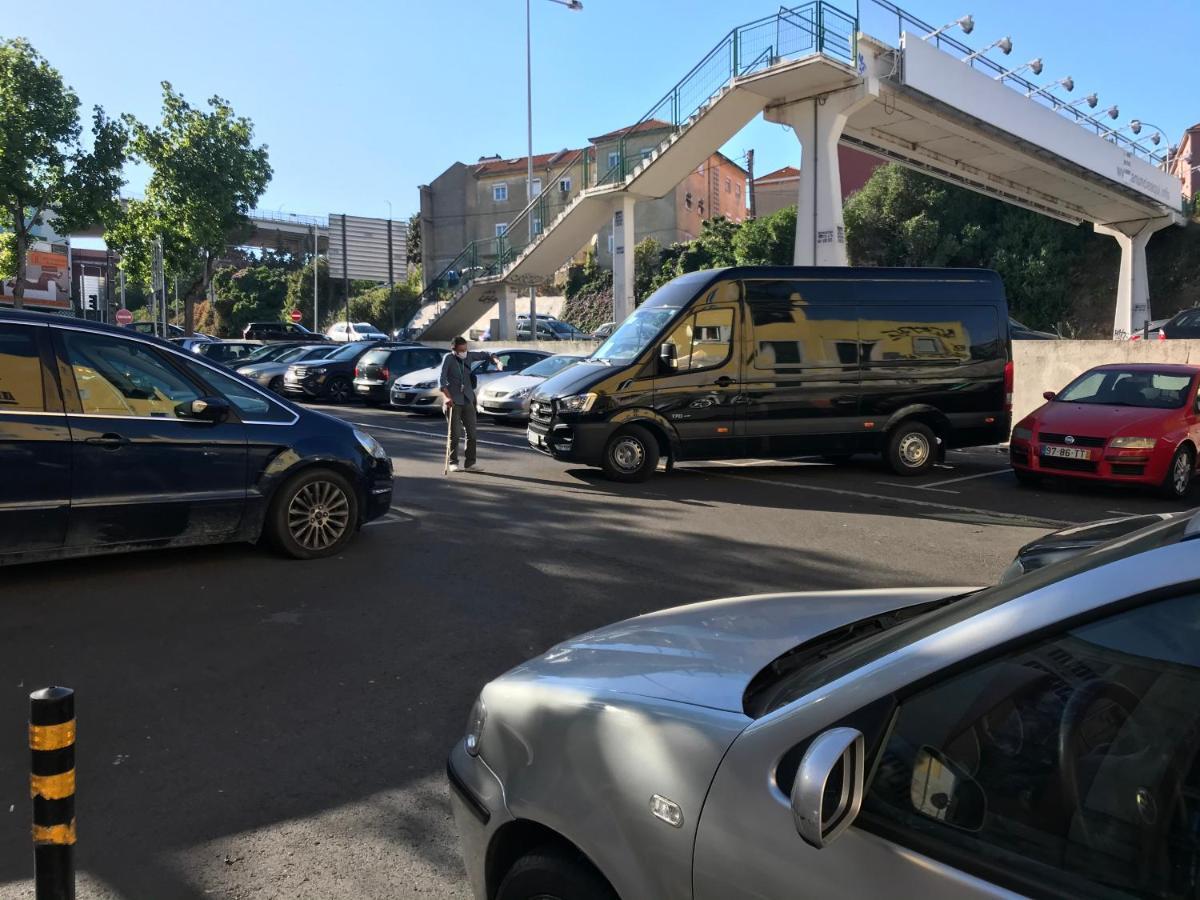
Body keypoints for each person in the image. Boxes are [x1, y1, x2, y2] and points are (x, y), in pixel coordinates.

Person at [439, 336, 501, 472]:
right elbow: (441, 381)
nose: (464, 352)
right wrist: (447, 397)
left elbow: (488, 354)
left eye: (466, 349)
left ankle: (470, 463)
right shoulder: (448, 359)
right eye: (461, 350)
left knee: (472, 433)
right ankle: (452, 461)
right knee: (455, 434)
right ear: (454, 349)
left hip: (467, 399)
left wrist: (497, 362)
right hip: (453, 401)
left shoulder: (469, 356)